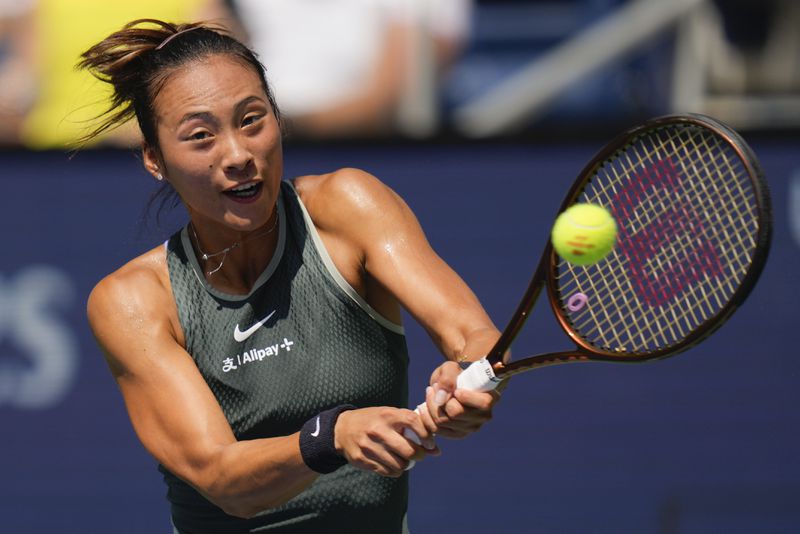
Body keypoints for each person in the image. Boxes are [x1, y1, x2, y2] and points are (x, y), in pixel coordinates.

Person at [83, 19, 502, 533]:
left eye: (252, 120)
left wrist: (469, 378)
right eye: (200, 136)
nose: (237, 154)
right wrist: (332, 436)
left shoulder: (350, 206)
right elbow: (223, 479)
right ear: (156, 160)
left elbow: (473, 333)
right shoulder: (133, 300)